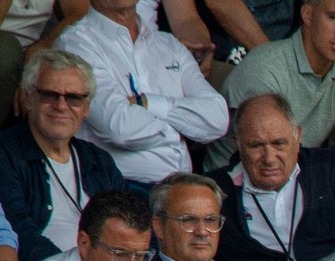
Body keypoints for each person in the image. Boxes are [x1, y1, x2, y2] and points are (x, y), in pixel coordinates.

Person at [207, 96, 335, 261]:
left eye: (279, 144)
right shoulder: (214, 192)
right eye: (256, 146)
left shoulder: (332, 170)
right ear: (238, 143)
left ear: (298, 136)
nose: (269, 158)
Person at [54, 0, 227, 184]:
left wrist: (148, 103)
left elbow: (218, 119)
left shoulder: (169, 44)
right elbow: (120, 128)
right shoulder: (75, 43)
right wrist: (183, 129)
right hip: (120, 186)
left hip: (182, 188)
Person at [0, 51, 121, 261]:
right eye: (50, 95)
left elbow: (127, 224)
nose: (61, 106)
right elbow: (18, 231)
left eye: (73, 98)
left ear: (86, 107)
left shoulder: (99, 160)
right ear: (29, 98)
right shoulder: (5, 152)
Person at [223, 0, 335, 165]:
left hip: (293, 174)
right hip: (234, 177)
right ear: (308, 14)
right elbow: (268, 161)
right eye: (334, 18)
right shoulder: (266, 69)